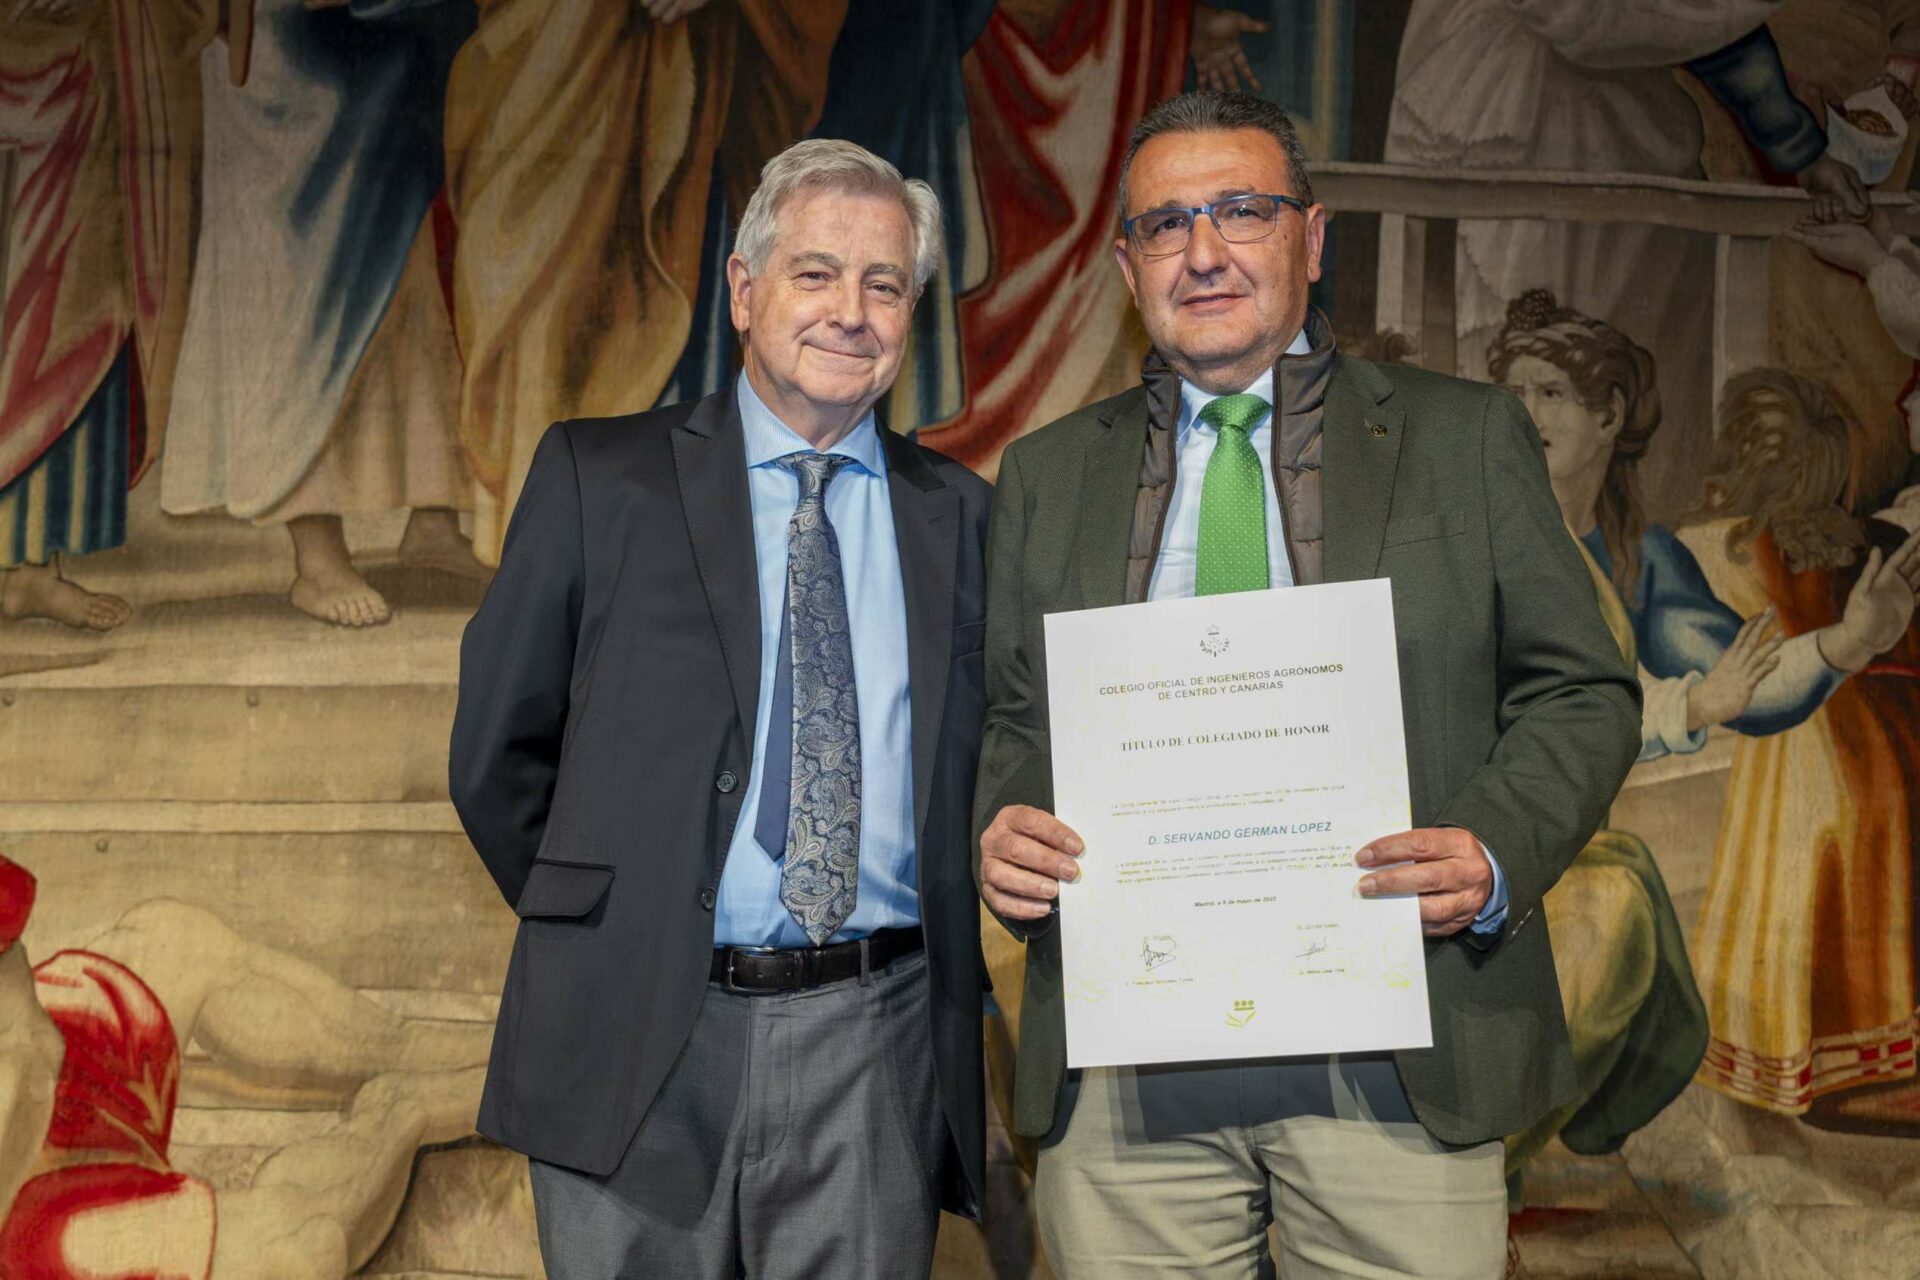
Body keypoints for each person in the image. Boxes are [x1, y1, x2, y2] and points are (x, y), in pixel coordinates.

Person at [974, 91, 1642, 1277]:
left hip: (1400, 1046)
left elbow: (1582, 689)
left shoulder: (1466, 436)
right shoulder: (1045, 474)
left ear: (1312, 235)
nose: (1206, 250)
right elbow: (1020, 715)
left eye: (1242, 209)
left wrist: (1492, 847)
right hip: (1128, 1059)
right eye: (1168, 224)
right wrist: (1009, 819)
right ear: (1128, 263)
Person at [449, 138, 991, 1279]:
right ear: (745, 291)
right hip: (637, 1028)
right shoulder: (600, 479)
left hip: (880, 1041)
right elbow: (499, 752)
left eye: (884, 284)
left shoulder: (966, 520)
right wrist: (619, 921)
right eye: (816, 273)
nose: (851, 311)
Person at [0, 855, 491, 1278]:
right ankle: (402, 1113)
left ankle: (417, 1046)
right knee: (300, 1249)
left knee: (174, 939)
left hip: (46, 1100)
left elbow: (30, 1042)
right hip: (37, 1237)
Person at [1683, 369, 1920, 1121]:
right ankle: (1839, 1061)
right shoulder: (1817, 540)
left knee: (1792, 884)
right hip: (1844, 741)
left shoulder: (1721, 546)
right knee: (1834, 880)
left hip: (1797, 748)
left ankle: (1802, 1059)